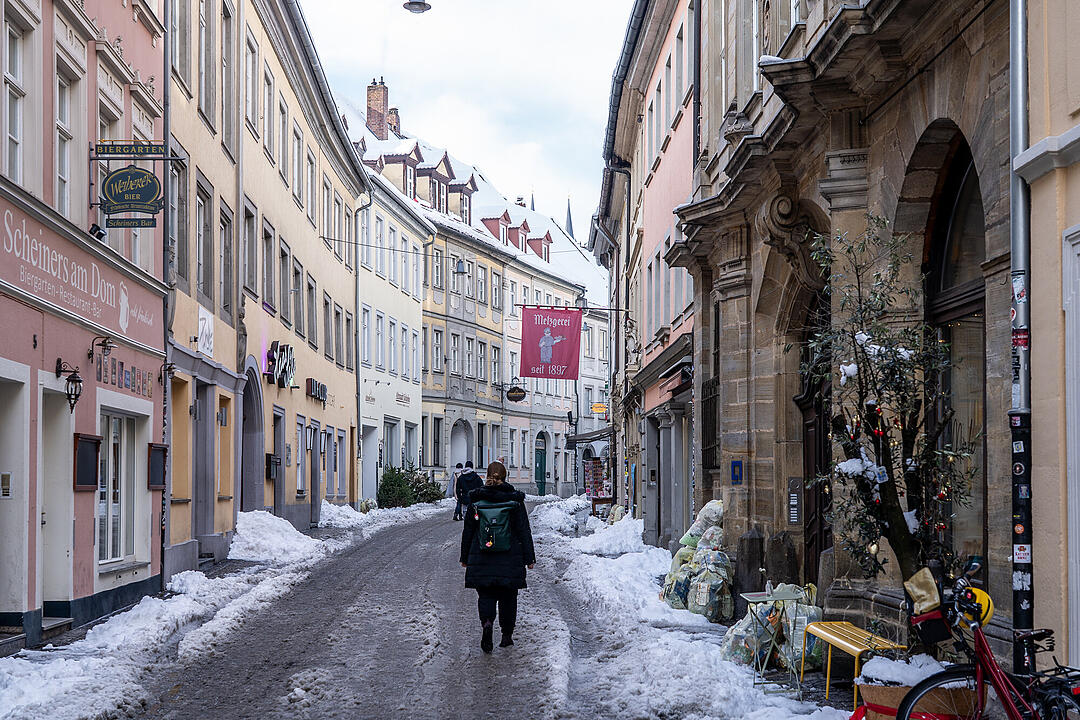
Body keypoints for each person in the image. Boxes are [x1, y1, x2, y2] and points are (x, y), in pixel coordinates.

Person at [460, 461, 535, 653]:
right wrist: (529, 558)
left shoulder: (476, 501)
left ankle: (487, 623)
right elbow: (523, 531)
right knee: (508, 597)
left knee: (485, 595)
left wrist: (464, 557)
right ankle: (506, 636)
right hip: (510, 558)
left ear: (487, 476)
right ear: (505, 476)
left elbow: (468, 531)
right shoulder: (515, 501)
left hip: (482, 557)